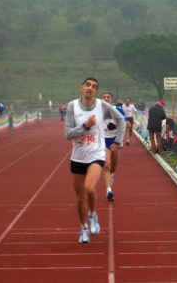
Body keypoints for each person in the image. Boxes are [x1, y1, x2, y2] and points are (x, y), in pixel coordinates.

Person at [65, 78, 125, 243]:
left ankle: (92, 215)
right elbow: (68, 134)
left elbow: (121, 120)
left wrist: (118, 142)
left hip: (96, 153)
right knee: (80, 197)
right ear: (81, 87)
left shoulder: (102, 105)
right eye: (88, 85)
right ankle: (83, 228)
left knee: (90, 189)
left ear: (97, 92)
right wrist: (84, 126)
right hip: (78, 156)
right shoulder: (72, 107)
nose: (90, 88)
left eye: (94, 87)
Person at [101, 91, 127, 202]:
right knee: (106, 164)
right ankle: (108, 190)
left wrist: (115, 125)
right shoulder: (97, 111)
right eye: (104, 97)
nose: (106, 99)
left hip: (115, 141)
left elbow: (124, 121)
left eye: (108, 97)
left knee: (113, 167)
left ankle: (111, 175)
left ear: (112, 100)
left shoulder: (118, 110)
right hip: (102, 141)